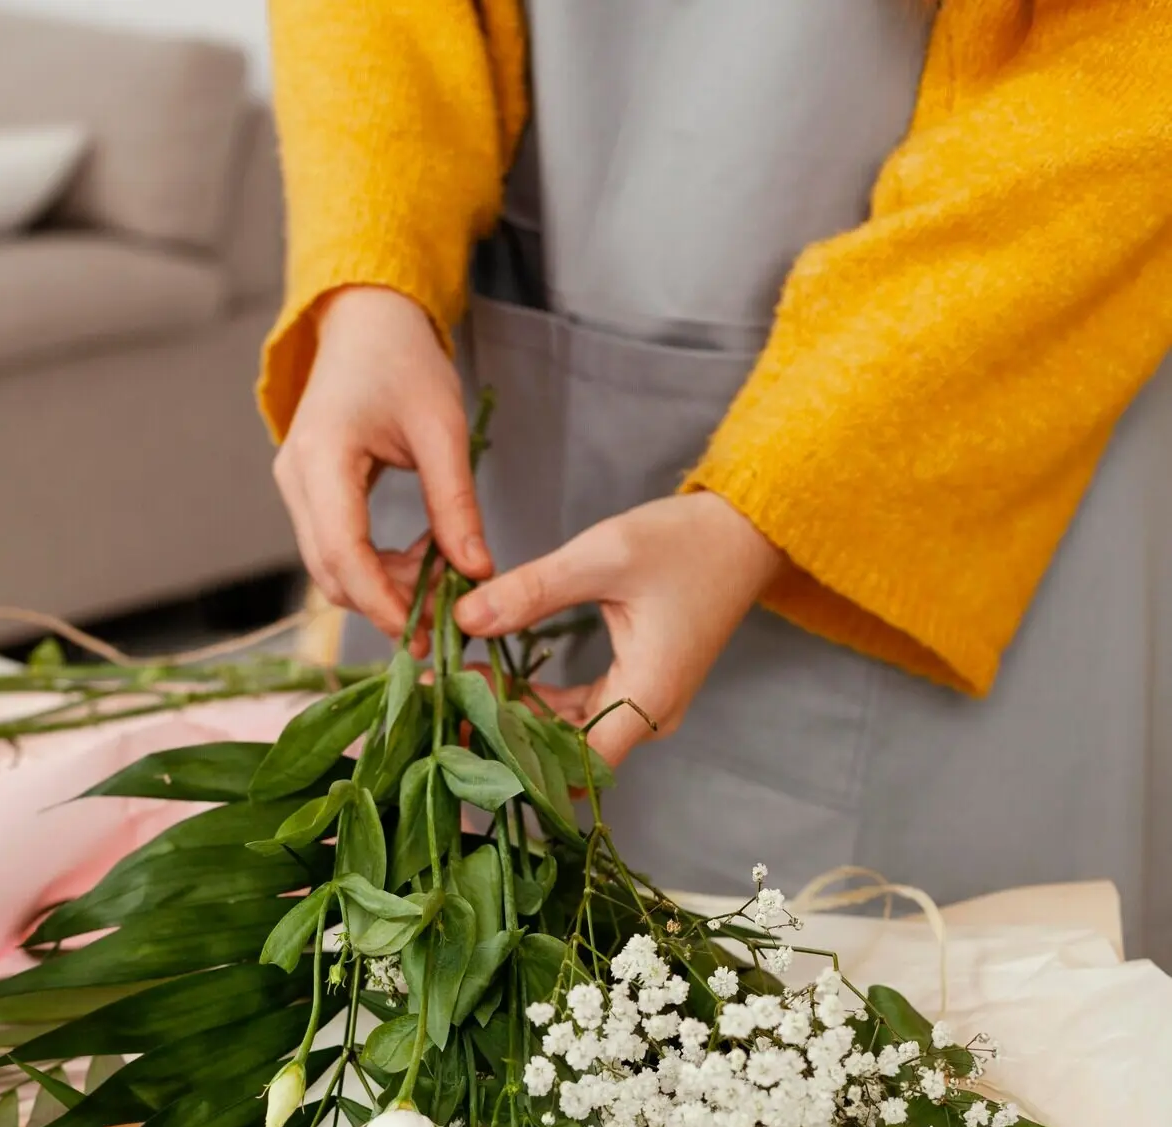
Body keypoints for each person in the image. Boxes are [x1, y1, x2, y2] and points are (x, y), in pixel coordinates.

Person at [260, 1, 1172, 961]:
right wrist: (370, 280)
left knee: (883, 1030)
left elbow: (1130, 72)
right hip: (501, 352)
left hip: (972, 385)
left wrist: (775, 501)